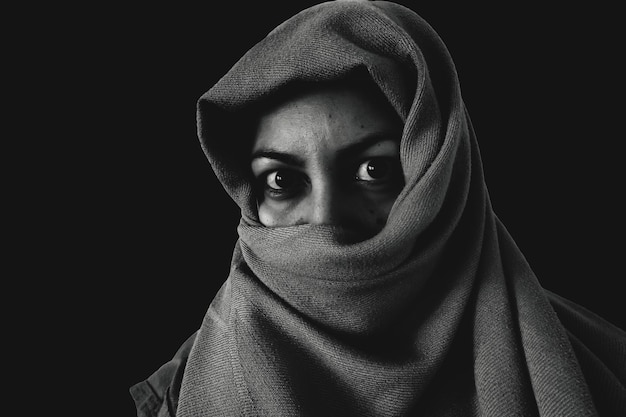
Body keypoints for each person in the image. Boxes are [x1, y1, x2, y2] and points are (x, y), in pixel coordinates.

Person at [130, 1, 626, 416]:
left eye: (374, 172)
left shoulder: (594, 372)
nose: (327, 221)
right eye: (282, 181)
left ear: (442, 180)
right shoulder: (179, 395)